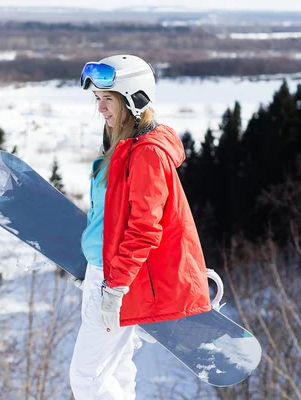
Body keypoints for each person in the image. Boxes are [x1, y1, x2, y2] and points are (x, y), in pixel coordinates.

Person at [69, 54, 211, 399]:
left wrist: (114, 288)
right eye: (97, 100)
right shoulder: (122, 148)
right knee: (116, 370)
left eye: (109, 100)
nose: (100, 109)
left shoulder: (146, 154)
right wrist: (89, 264)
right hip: (101, 271)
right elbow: (107, 219)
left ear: (135, 101)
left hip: (114, 279)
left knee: (86, 378)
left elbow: (145, 228)